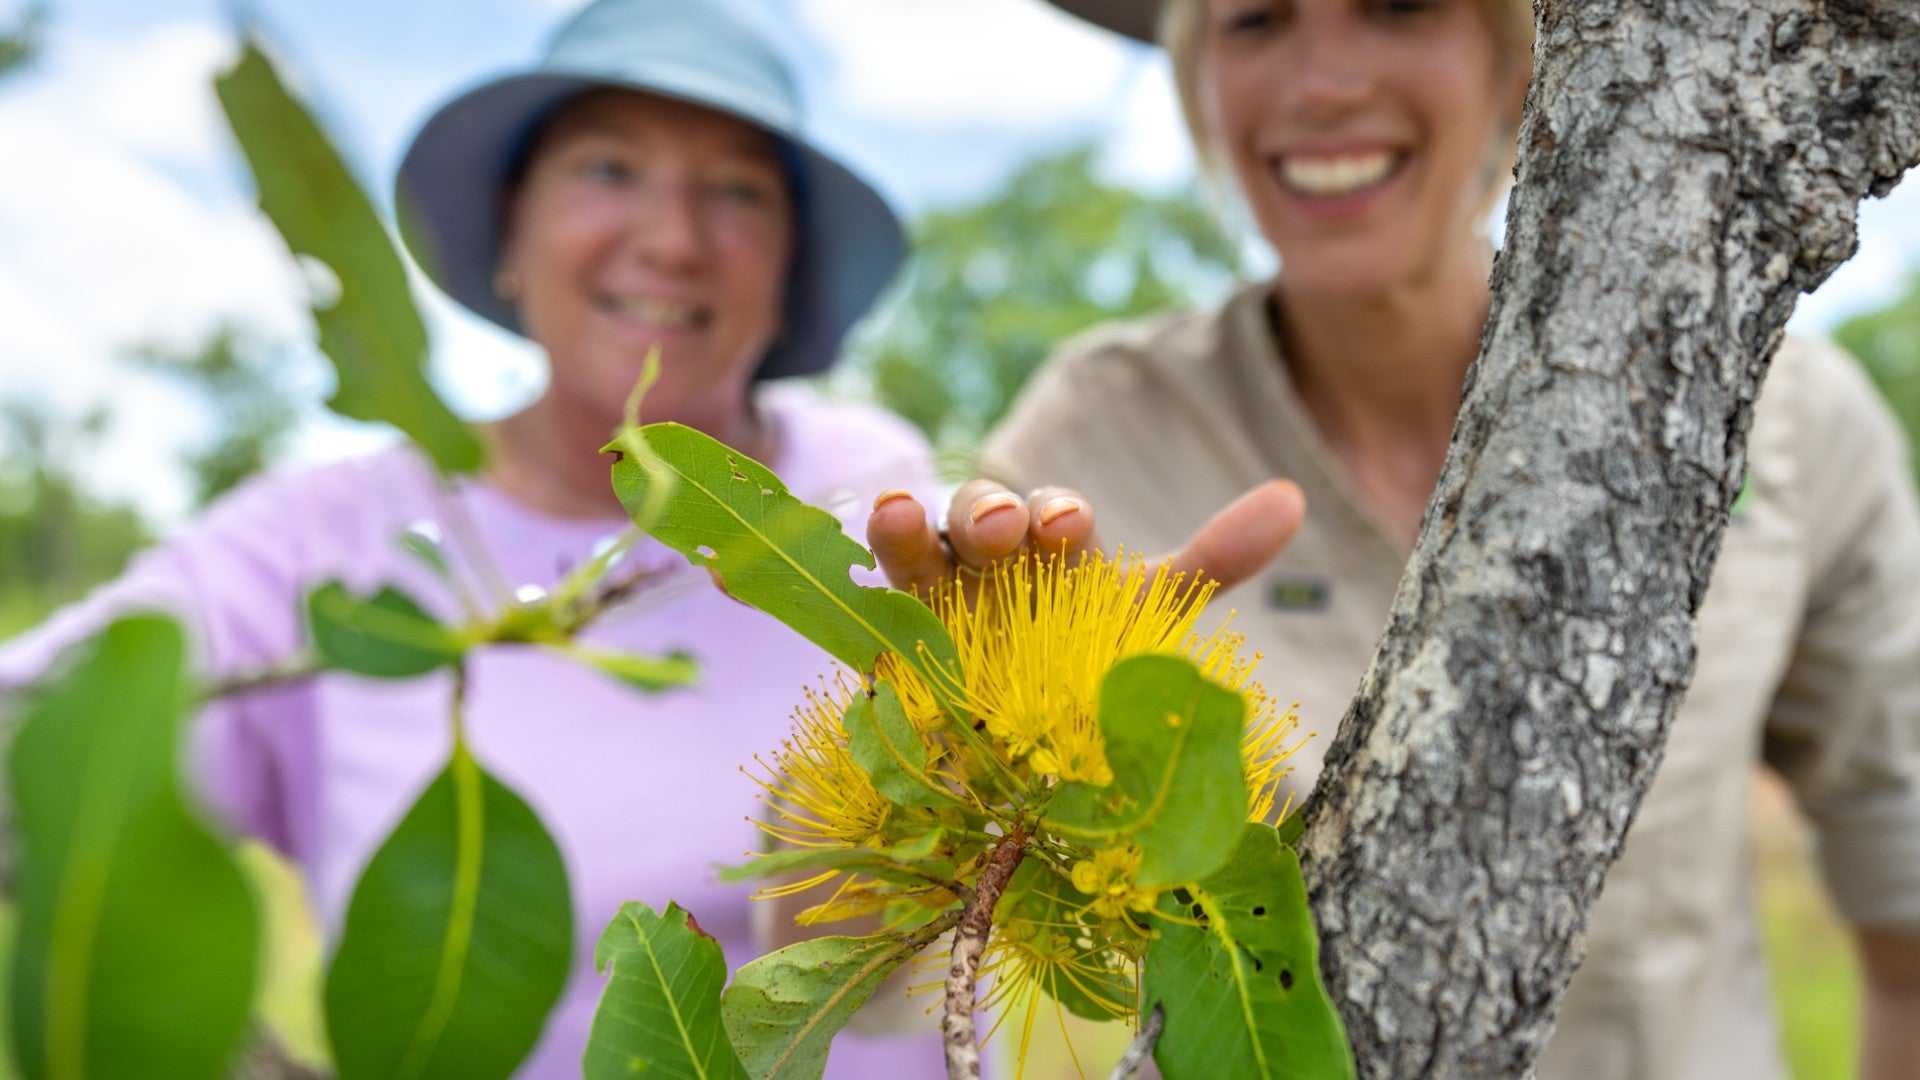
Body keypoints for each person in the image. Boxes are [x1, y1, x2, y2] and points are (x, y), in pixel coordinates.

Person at [866, 1, 1920, 1078]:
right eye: (1257, 20)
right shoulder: (1096, 441)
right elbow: (869, 973)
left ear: (1528, 66)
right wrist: (934, 741)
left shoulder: (1779, 416)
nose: (1324, 82)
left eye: (1398, 6)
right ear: (1199, 90)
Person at [0, 0, 949, 1075]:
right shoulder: (325, 536)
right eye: (607, 169)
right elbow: (36, 747)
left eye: (738, 191)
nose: (675, 240)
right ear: (509, 237)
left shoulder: (867, 490)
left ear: (788, 273)